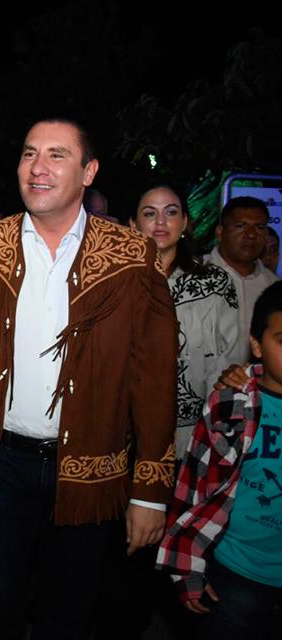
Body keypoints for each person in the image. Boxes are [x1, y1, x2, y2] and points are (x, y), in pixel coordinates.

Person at [0, 118, 178, 640]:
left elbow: (154, 380)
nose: (37, 167)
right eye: (29, 153)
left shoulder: (131, 257)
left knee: (68, 617)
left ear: (89, 171)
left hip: (90, 471)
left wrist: (149, 494)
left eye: (56, 155)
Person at [157, 280, 282, 640]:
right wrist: (186, 568)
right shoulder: (232, 405)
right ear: (256, 345)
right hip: (235, 572)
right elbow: (193, 486)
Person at [130, 184, 239, 456]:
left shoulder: (215, 282)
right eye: (149, 213)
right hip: (127, 435)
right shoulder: (116, 283)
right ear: (133, 224)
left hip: (194, 437)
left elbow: (226, 364)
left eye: (171, 212)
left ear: (185, 222)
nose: (161, 222)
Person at [205, 196, 278, 362]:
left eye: (259, 227)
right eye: (240, 226)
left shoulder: (273, 287)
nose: (251, 235)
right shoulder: (192, 277)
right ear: (220, 232)